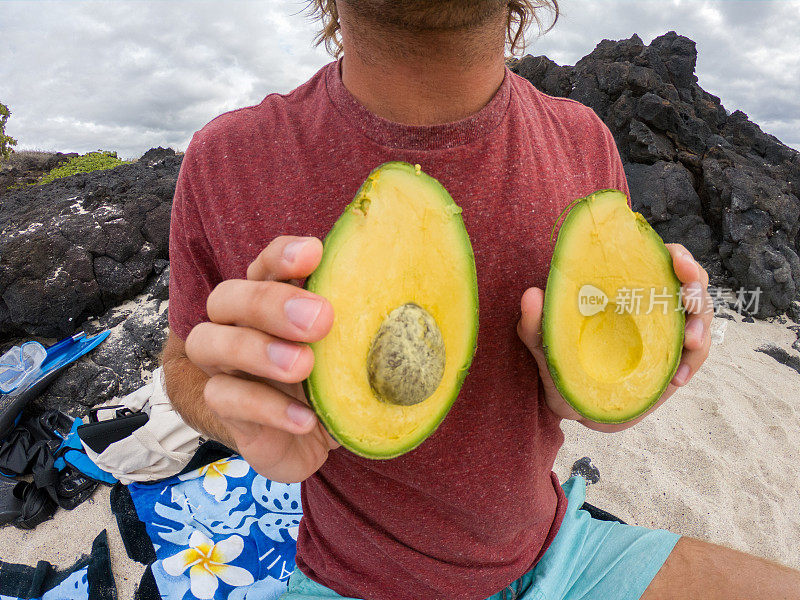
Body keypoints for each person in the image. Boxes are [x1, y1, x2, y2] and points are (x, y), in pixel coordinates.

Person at [161, 1, 800, 599]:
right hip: (351, 578)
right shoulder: (228, 159)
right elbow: (184, 359)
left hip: (560, 551)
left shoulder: (583, 142)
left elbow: (583, 383)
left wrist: (607, 394)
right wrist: (247, 413)